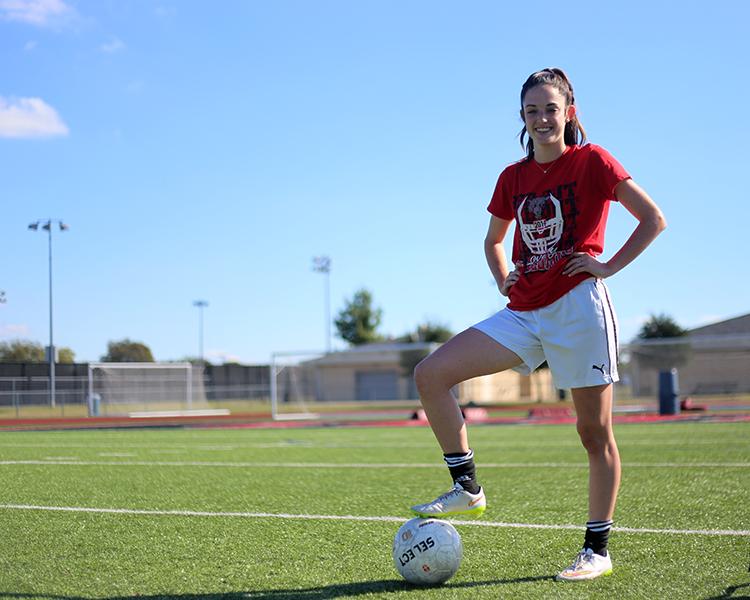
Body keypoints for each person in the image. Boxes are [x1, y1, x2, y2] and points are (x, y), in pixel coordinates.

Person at [409, 67, 666, 582]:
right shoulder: (513, 177)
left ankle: (597, 549)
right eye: (532, 111)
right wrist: (504, 277)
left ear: (568, 111)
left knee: (593, 433)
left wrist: (607, 265)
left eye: (551, 108)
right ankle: (468, 488)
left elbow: (653, 218)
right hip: (523, 311)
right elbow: (493, 241)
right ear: (522, 119)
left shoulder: (592, 160)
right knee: (430, 374)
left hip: (578, 309)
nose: (543, 118)